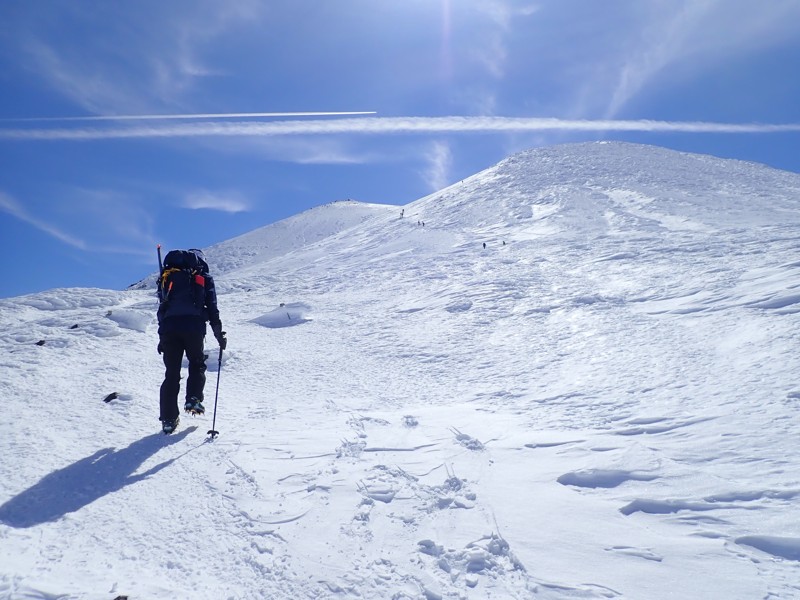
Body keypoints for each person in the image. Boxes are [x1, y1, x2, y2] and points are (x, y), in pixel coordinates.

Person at [156, 248, 227, 434]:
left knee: (171, 373)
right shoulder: (202, 277)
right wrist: (219, 334)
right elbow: (212, 308)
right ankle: (194, 398)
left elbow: (162, 309)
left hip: (169, 330)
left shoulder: (167, 277)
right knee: (196, 363)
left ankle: (168, 420)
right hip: (194, 328)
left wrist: (161, 336)